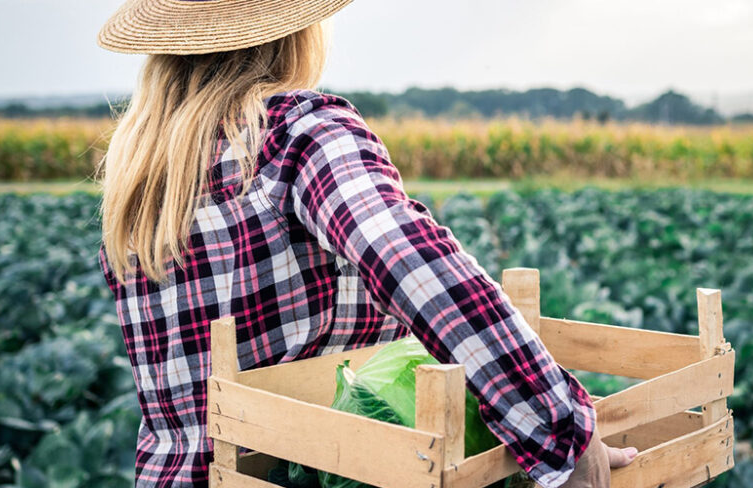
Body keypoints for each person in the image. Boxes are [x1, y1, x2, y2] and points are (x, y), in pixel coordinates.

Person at [94, 1, 637, 486]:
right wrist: (561, 433)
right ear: (296, 32)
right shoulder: (297, 134)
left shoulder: (141, 179)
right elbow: (415, 267)